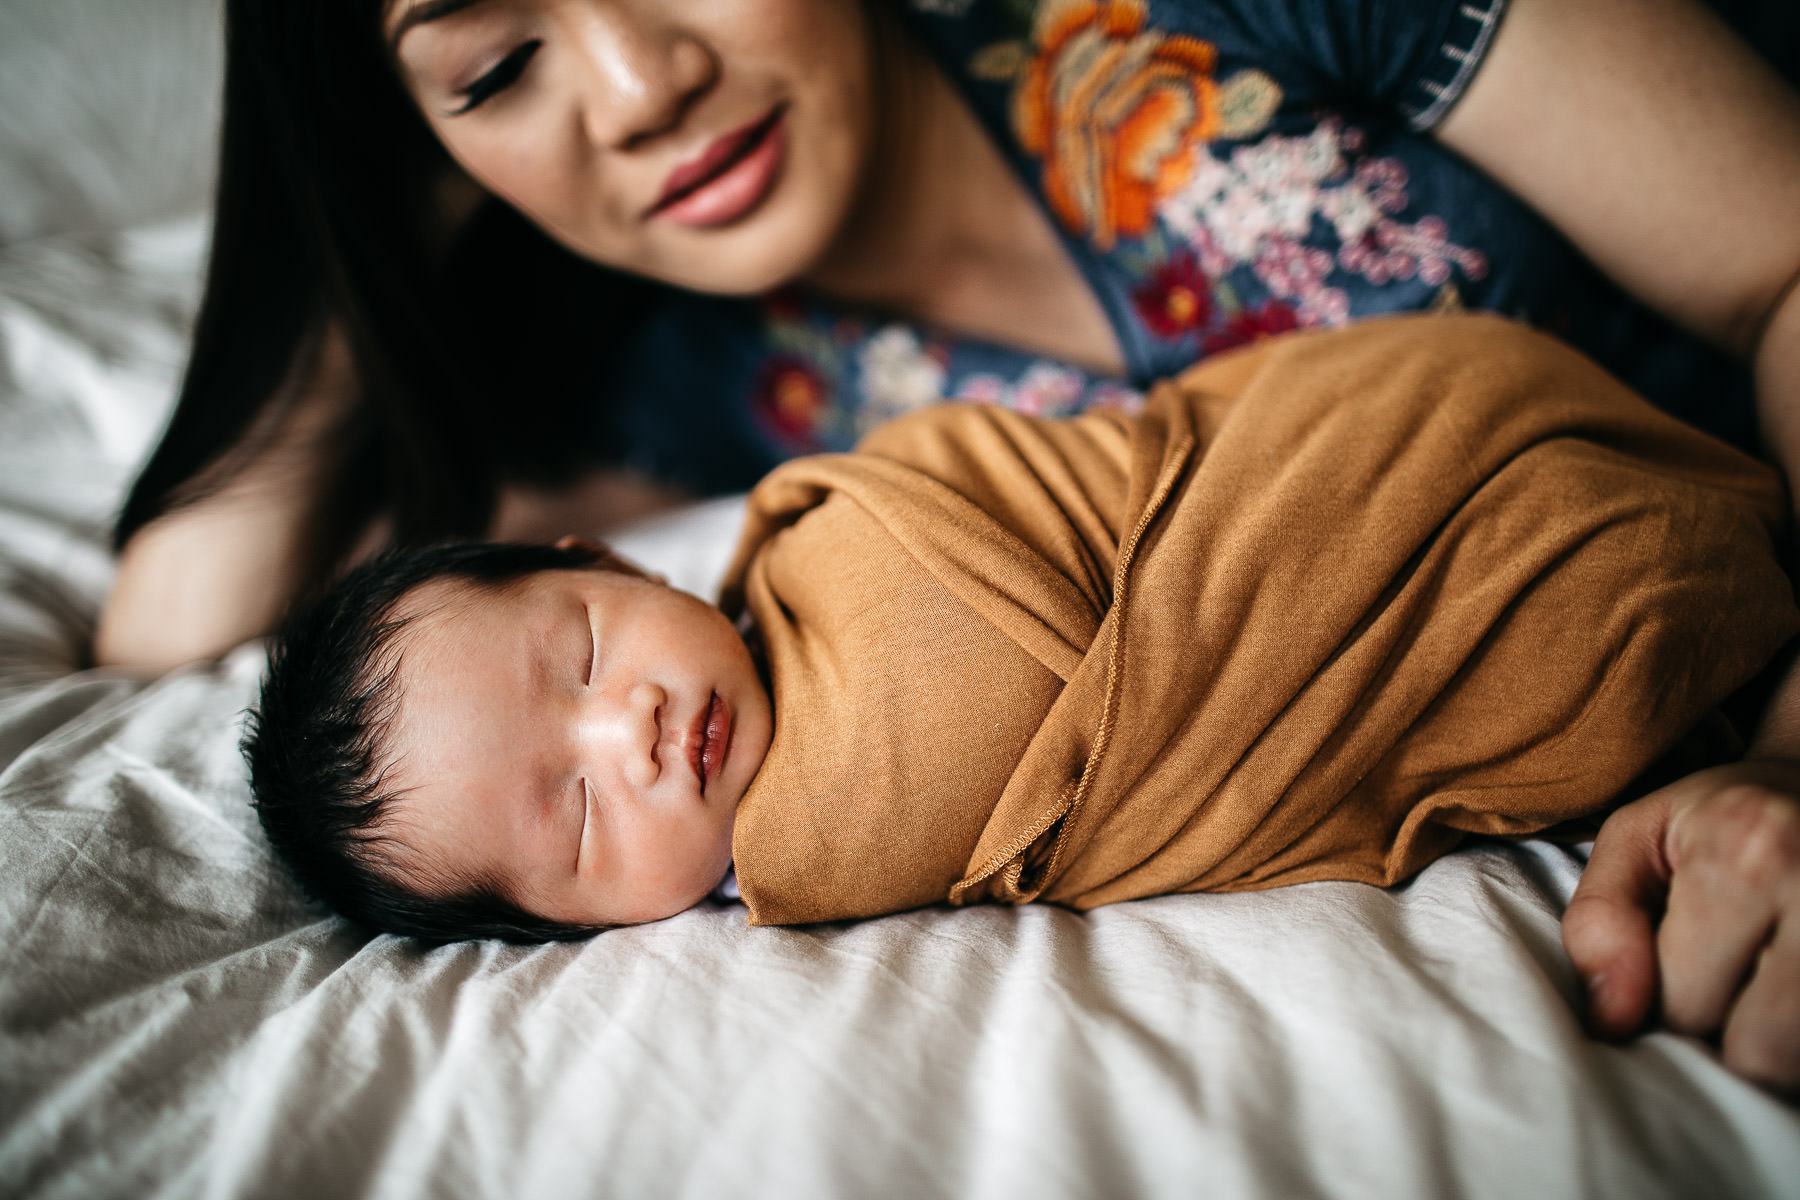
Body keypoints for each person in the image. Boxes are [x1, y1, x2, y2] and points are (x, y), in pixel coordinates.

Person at [102, 0, 1800, 1087]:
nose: (637, 86)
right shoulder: (688, 376)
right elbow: (184, 645)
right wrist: (354, 191)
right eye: (495, 62)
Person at [243, 316, 1800, 1088]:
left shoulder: (829, 522)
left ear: (596, 560)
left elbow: (1078, 488)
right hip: (1456, 599)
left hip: (1384, 444)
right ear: (579, 935)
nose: (627, 733)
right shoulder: (796, 858)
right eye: (575, 819)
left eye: (580, 652)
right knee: (1593, 628)